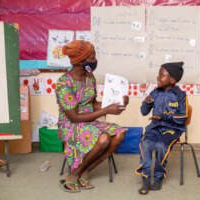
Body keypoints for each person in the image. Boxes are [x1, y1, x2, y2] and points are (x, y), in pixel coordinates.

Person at [56, 40, 129, 193]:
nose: (94, 60)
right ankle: (74, 174)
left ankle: (85, 170)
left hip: (89, 121)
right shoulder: (64, 83)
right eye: (91, 57)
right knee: (103, 139)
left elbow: (93, 104)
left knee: (120, 133)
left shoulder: (90, 77)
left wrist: (116, 104)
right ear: (79, 60)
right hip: (70, 125)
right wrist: (107, 110)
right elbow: (74, 117)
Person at [136, 62, 188, 195]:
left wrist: (164, 117)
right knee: (145, 144)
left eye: (161, 75)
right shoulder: (155, 92)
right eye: (158, 74)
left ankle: (158, 177)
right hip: (154, 127)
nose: (158, 78)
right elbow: (143, 112)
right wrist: (146, 103)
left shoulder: (180, 95)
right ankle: (146, 179)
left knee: (160, 146)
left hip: (172, 129)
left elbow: (183, 117)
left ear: (172, 80)